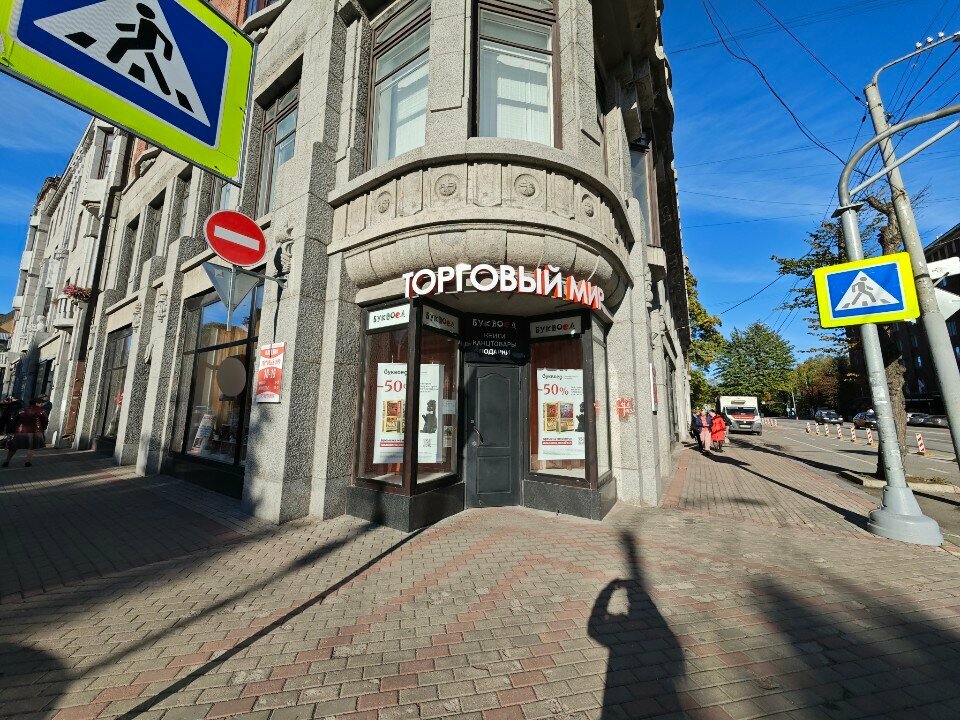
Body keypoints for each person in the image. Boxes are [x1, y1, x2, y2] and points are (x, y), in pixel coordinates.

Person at [3, 398, 49, 468]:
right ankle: (27, 462)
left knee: (13, 447)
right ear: (36, 403)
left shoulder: (22, 410)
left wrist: (13, 429)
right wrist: (43, 428)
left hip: (20, 431)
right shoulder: (42, 411)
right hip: (34, 431)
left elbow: (14, 420)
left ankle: (6, 461)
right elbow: (45, 421)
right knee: (31, 447)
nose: (42, 404)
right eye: (40, 403)